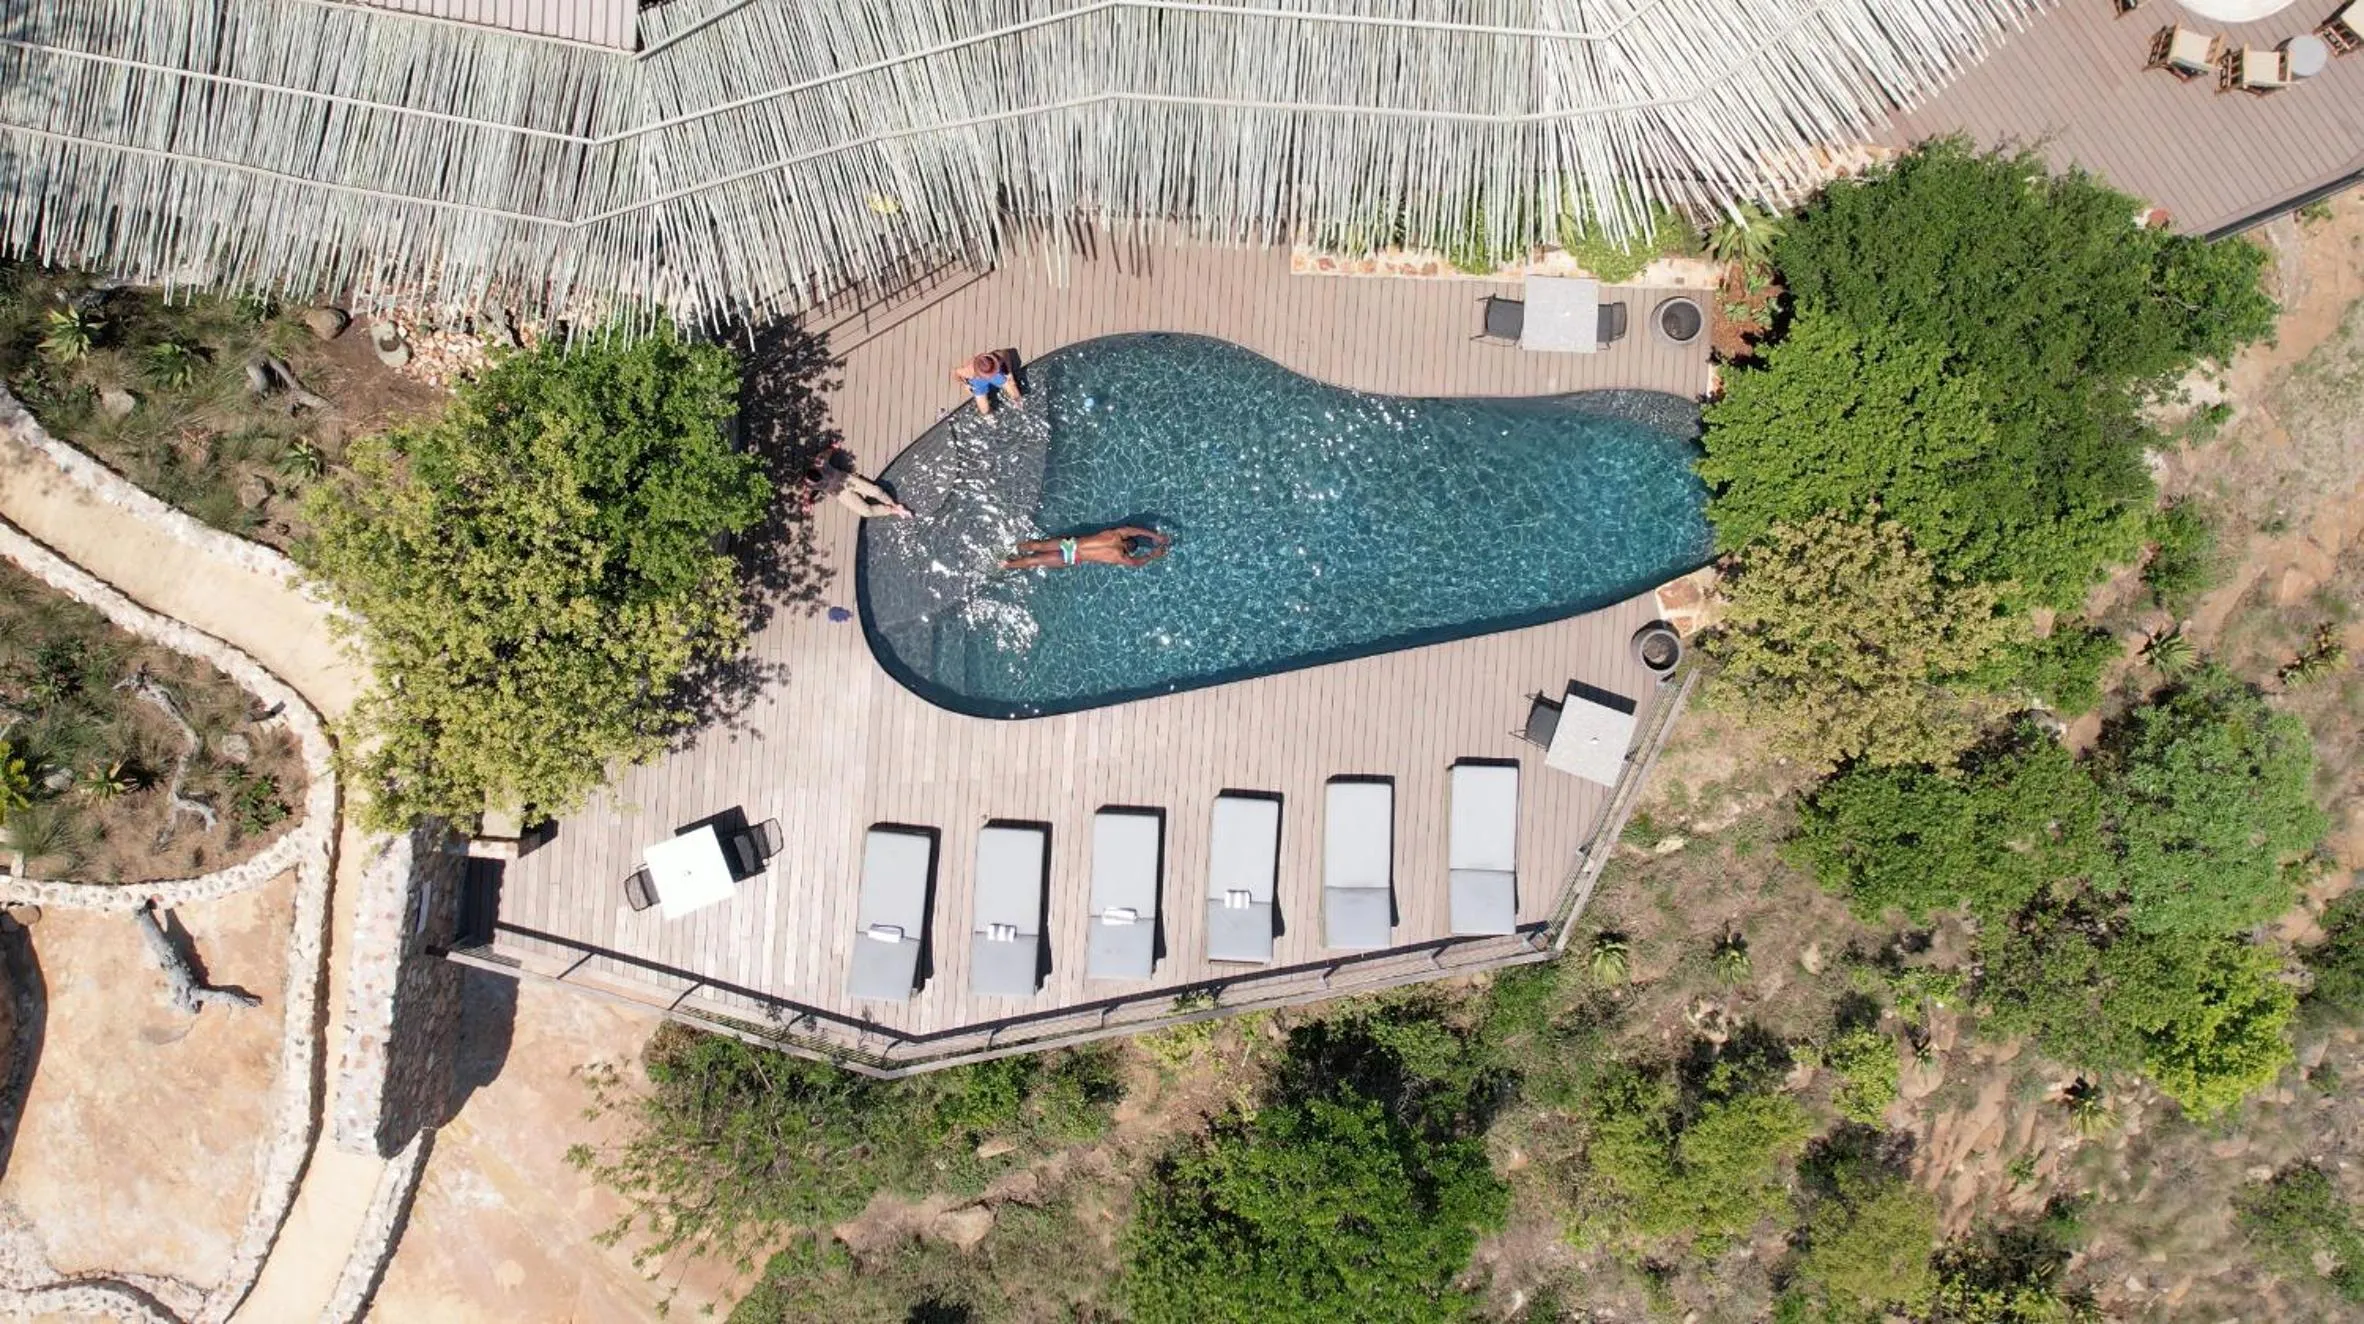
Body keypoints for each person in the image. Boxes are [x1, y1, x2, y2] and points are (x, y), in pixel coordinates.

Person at [805, 448, 911, 518]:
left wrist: (833, 448)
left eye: (822, 474)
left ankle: (895, 504)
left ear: (818, 469)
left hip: (846, 479)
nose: (825, 477)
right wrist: (808, 502)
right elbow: (807, 492)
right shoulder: (810, 483)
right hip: (840, 493)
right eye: (821, 479)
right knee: (866, 512)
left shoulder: (821, 461)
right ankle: (892, 511)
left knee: (876, 491)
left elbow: (828, 452)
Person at [1004, 525, 1170, 570]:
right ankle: (1005, 565)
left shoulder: (1115, 534)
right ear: (1128, 549)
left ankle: (1010, 546)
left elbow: (1133, 529)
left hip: (1071, 544)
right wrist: (1152, 556)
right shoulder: (1119, 557)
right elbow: (1135, 563)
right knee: (1034, 560)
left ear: (1127, 540)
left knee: (1036, 545)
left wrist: (1156, 536)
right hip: (1072, 557)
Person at [952, 350, 1024, 417]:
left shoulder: (997, 358)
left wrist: (1009, 372)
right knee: (985, 411)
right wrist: (965, 384)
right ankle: (991, 416)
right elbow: (955, 373)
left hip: (995, 374)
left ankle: (1019, 404)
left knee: (1015, 392)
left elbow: (1006, 355)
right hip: (978, 381)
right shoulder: (969, 371)